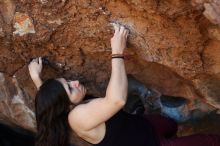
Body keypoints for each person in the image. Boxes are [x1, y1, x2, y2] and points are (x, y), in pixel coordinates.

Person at [28, 24, 220, 146]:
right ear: (67, 105)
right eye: (70, 88)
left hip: (144, 127)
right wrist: (117, 52)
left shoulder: (64, 107)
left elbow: (52, 101)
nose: (75, 82)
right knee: (211, 142)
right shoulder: (78, 117)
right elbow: (117, 100)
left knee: (170, 125)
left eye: (68, 81)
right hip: (152, 144)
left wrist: (37, 79)